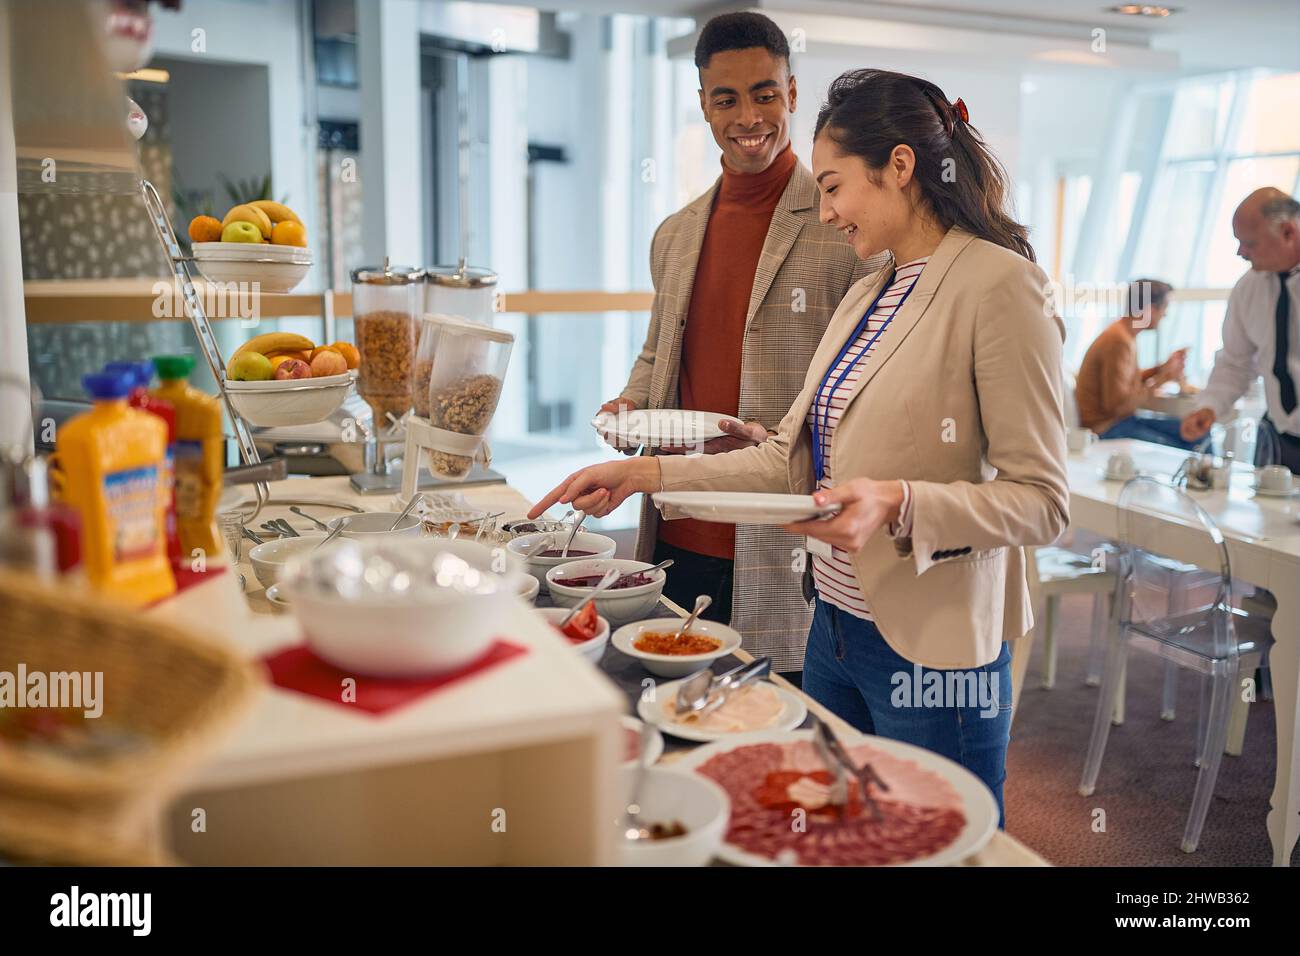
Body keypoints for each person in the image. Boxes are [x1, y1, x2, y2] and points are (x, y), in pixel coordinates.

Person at [531, 69, 1068, 825]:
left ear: (901, 168)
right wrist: (640, 471)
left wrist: (898, 501)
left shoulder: (999, 286)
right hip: (835, 630)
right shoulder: (867, 292)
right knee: (841, 828)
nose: (825, 212)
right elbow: (786, 454)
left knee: (942, 837)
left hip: (932, 648)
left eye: (835, 185)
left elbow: (1042, 502)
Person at [598, 12, 884, 684]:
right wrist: (630, 401)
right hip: (679, 515)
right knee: (673, 695)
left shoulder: (841, 221)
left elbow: (873, 374)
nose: (747, 115)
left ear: (790, 93)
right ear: (703, 105)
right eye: (725, 98)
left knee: (775, 705)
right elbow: (658, 354)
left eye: (763, 93)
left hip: (779, 524)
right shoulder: (674, 233)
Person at [1182, 188, 1300, 472]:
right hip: (1276, 438)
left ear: (1287, 232)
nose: (1240, 252)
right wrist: (1209, 406)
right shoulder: (1249, 287)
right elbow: (1235, 363)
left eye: (1249, 243)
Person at [1074, 278, 1194, 448]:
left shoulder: (1124, 335)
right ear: (1150, 310)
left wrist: (1161, 369)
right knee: (1186, 443)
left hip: (1119, 422)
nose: (1165, 315)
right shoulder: (1118, 341)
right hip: (1106, 428)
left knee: (1193, 433)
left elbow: (1126, 382)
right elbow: (1118, 406)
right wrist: (1162, 378)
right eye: (1164, 308)